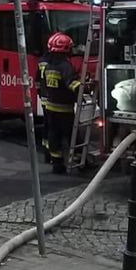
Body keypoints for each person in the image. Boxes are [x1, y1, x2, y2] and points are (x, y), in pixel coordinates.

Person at [38, 31, 80, 174]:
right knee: (72, 135)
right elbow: (71, 84)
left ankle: (57, 163)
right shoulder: (65, 66)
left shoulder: (49, 65)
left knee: (53, 134)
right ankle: (80, 159)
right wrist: (84, 87)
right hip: (65, 109)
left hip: (50, 106)